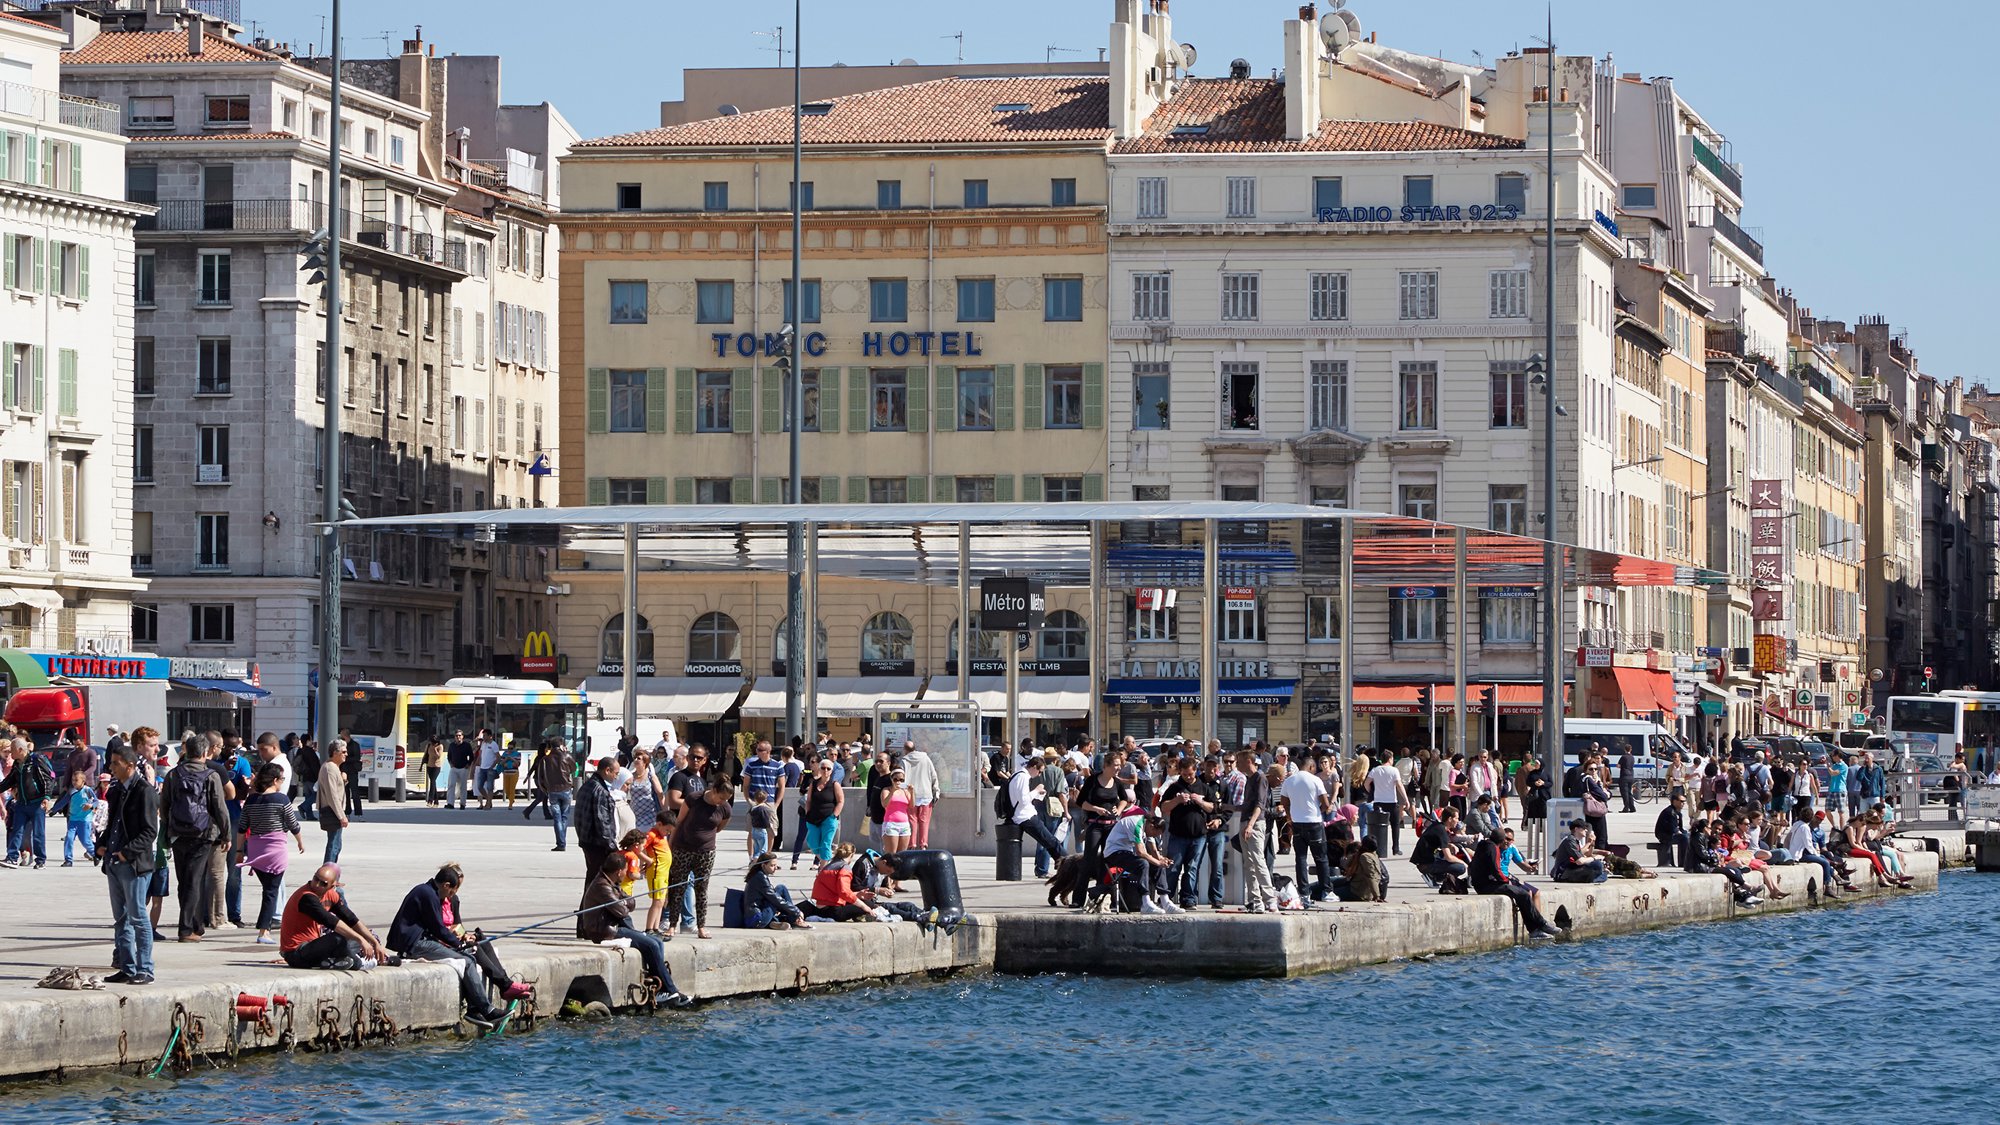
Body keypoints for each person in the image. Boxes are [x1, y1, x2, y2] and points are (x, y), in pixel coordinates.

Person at [388, 863, 535, 1030]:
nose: (450, 896)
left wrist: (460, 943)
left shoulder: (428, 890)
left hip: (421, 940)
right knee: (466, 961)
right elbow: (438, 928)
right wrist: (459, 944)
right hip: (415, 944)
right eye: (451, 891)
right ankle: (486, 1010)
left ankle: (475, 1009)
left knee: (468, 956)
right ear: (446, 885)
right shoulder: (428, 894)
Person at [97, 744, 158, 985]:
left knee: (138, 917)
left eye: (115, 763)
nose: (111, 767)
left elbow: (149, 831)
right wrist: (102, 845)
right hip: (113, 862)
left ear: (129, 766)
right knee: (120, 919)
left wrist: (126, 853)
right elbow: (112, 823)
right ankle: (127, 967)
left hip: (133, 865)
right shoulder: (116, 791)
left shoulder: (144, 791)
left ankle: (145, 969)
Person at [161, 736, 229, 942]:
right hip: (203, 834)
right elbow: (219, 807)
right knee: (194, 880)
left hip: (178, 833)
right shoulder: (211, 775)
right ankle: (186, 929)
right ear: (205, 753)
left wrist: (169, 828)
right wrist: (226, 834)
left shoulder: (173, 775)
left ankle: (196, 925)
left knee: (185, 880)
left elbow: (164, 805)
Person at [238, 763, 303, 945]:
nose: (283, 783)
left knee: (269, 889)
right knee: (271, 891)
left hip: (256, 850)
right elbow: (293, 823)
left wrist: (238, 851)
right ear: (275, 781)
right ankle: (263, 931)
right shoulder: (281, 799)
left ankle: (263, 928)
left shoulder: (251, 800)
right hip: (275, 849)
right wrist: (300, 841)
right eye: (281, 779)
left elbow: (242, 827)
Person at [280, 864, 390, 971]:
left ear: (332, 886)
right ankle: (358, 963)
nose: (317, 885)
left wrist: (374, 943)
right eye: (315, 879)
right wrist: (361, 940)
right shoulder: (306, 897)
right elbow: (332, 922)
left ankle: (333, 961)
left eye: (323, 883)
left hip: (314, 949)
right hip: (296, 953)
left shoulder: (331, 895)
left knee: (362, 937)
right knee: (338, 939)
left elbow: (351, 919)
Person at [670, 779, 733, 938]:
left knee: (702, 889)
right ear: (714, 790)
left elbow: (718, 828)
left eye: (726, 799)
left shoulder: (725, 808)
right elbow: (679, 821)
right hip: (683, 848)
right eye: (721, 797)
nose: (722, 801)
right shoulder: (693, 798)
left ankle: (701, 926)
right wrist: (670, 846)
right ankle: (672, 925)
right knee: (678, 887)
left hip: (706, 852)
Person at [1472, 828, 1561, 938]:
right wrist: (1506, 880)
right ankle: (1541, 925)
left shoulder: (1485, 844)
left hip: (1484, 883)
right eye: (1505, 839)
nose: (1506, 842)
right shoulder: (1492, 848)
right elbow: (1496, 870)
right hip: (1487, 885)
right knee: (1523, 894)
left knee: (1523, 894)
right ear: (1500, 841)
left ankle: (1535, 929)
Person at [1280, 755, 1332, 904]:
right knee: (1321, 858)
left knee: (1301, 859)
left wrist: (1290, 816)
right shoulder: (1316, 780)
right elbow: (1325, 803)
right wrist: (1320, 810)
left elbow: (1284, 802)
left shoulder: (1289, 781)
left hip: (1297, 823)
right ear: (1310, 767)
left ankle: (1304, 893)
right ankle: (1326, 891)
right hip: (1314, 822)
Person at [1233, 750, 1278, 914]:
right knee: (1249, 863)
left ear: (1248, 761)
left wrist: (1250, 824)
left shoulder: (1260, 778)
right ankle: (1255, 900)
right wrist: (1228, 807)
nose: (1237, 764)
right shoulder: (1248, 779)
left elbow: (1260, 804)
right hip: (1245, 822)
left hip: (1255, 823)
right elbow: (1247, 804)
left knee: (1258, 861)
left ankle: (1270, 899)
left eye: (1239, 760)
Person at [1005, 758, 1067, 877]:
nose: (1039, 774)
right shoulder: (1023, 777)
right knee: (1051, 841)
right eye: (1039, 771)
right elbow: (1023, 800)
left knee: (1049, 842)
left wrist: (1037, 794)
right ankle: (1071, 866)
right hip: (1025, 817)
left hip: (1023, 816)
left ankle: (1063, 865)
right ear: (1033, 767)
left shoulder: (1018, 775)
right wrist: (1036, 790)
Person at [1, 738, 55, 868]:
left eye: (12, 750)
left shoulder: (36, 760)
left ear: (20, 750)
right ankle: (12, 858)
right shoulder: (17, 764)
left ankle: (40, 860)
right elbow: (9, 781)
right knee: (16, 830)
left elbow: (49, 779)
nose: (10, 753)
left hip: (37, 803)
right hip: (21, 803)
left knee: (38, 833)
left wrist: (47, 797)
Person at [575, 755, 621, 880]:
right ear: (607, 770)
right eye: (615, 773)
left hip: (588, 840)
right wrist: (612, 847)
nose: (616, 777)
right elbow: (602, 821)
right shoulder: (600, 790)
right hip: (598, 844)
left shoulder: (588, 785)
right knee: (600, 880)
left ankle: (588, 900)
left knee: (593, 878)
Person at [744, 851, 811, 930]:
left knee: (778, 892)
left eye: (776, 865)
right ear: (763, 865)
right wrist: (796, 911)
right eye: (772, 865)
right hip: (758, 919)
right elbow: (775, 898)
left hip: (754, 918)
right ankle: (795, 919)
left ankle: (774, 922)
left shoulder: (757, 875)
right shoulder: (760, 877)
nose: (775, 868)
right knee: (781, 889)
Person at [1411, 805, 1471, 891]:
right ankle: (1433, 876)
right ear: (1450, 819)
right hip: (1425, 864)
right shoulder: (1442, 831)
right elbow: (1449, 858)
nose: (1458, 821)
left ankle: (1437, 876)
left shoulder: (1438, 826)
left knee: (1451, 858)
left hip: (1423, 861)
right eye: (1456, 818)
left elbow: (1436, 840)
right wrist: (1464, 864)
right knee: (1460, 867)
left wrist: (1450, 845)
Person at [800, 757, 843, 866]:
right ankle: (827, 861)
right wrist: (807, 812)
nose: (825, 770)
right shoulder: (813, 784)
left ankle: (823, 869)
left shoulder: (834, 784)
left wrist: (834, 815)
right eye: (823, 768)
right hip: (813, 818)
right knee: (812, 842)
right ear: (819, 769)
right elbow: (808, 800)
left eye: (828, 768)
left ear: (831, 770)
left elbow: (840, 801)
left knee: (825, 843)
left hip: (829, 818)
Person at [537, 737, 577, 851]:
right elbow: (574, 768)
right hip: (566, 789)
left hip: (552, 791)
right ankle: (562, 841)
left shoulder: (545, 759)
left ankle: (561, 843)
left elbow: (540, 777)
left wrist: (545, 789)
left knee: (557, 818)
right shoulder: (566, 756)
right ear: (561, 746)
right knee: (564, 817)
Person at [1365, 754, 1409, 857]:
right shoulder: (1394, 770)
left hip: (1378, 801)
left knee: (1377, 826)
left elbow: (1366, 783)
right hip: (1391, 802)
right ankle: (1396, 848)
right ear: (1390, 759)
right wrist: (1405, 799)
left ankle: (1377, 848)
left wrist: (1372, 792)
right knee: (1395, 825)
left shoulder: (1375, 770)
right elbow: (1399, 785)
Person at [316, 741, 350, 865]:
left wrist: (343, 779)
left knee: (336, 845)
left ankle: (332, 875)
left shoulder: (333, 768)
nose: (346, 754)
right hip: (332, 812)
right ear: (335, 753)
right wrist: (342, 816)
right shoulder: (330, 768)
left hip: (333, 811)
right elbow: (332, 795)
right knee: (333, 846)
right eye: (344, 752)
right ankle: (327, 876)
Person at [903, 740, 940, 849]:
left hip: (910, 795)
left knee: (912, 820)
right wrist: (936, 791)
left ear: (905, 750)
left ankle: (912, 844)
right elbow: (934, 776)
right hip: (926, 794)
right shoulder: (926, 758)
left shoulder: (904, 761)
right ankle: (923, 845)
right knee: (924, 821)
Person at [1552, 819, 1608, 883]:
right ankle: (1594, 879)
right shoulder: (1570, 841)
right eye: (1584, 828)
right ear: (1576, 829)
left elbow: (1587, 854)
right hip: (1563, 873)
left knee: (1598, 866)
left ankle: (1596, 877)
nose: (1586, 830)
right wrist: (1594, 858)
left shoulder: (1575, 841)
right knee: (1597, 865)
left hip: (1570, 869)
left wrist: (1592, 843)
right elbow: (1580, 861)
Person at [61, 769, 97, 867]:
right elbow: (63, 801)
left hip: (84, 820)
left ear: (83, 781)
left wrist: (90, 806)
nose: (74, 782)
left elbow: (96, 802)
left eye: (76, 780)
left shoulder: (88, 790)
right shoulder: (71, 791)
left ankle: (95, 854)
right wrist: (53, 810)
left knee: (85, 840)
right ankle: (68, 860)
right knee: (69, 838)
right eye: (73, 780)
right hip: (73, 819)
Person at [880, 768, 915, 856]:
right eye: (896, 779)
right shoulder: (886, 790)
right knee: (891, 855)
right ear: (891, 779)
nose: (898, 782)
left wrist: (912, 792)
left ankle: (900, 870)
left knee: (902, 855)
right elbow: (884, 804)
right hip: (891, 824)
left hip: (904, 825)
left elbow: (911, 806)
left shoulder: (905, 791)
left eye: (901, 780)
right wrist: (892, 791)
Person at [1654, 792, 1691, 869]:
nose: (1683, 803)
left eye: (1684, 801)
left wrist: (1687, 833)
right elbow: (1671, 829)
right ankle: (1683, 862)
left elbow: (1680, 828)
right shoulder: (1669, 812)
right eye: (1681, 801)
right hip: (1664, 835)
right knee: (1684, 839)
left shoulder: (1678, 813)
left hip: (1672, 834)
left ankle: (1688, 860)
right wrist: (1681, 834)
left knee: (1688, 837)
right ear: (1674, 801)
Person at [446, 731, 476, 810]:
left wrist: (468, 765)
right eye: (456, 736)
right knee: (451, 785)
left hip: (463, 768)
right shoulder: (452, 745)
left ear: (462, 736)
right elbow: (449, 756)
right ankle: (450, 803)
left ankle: (463, 804)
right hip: (454, 768)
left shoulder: (467, 745)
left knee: (463, 787)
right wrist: (451, 764)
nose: (458, 737)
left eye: (459, 735)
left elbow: (471, 756)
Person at [422, 736, 445, 807]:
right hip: (429, 766)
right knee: (433, 783)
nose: (433, 744)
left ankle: (430, 800)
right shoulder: (428, 745)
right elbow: (425, 755)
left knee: (433, 781)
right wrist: (421, 764)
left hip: (436, 767)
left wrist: (435, 750)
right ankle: (436, 802)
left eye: (435, 743)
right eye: (433, 743)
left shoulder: (440, 746)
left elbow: (438, 756)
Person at [1617, 746, 1637, 814]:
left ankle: (1626, 807)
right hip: (1631, 776)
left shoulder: (1623, 757)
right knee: (1629, 792)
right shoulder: (1632, 757)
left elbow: (1618, 765)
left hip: (1624, 776)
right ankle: (1632, 807)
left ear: (1624, 749)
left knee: (1624, 792)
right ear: (1631, 750)